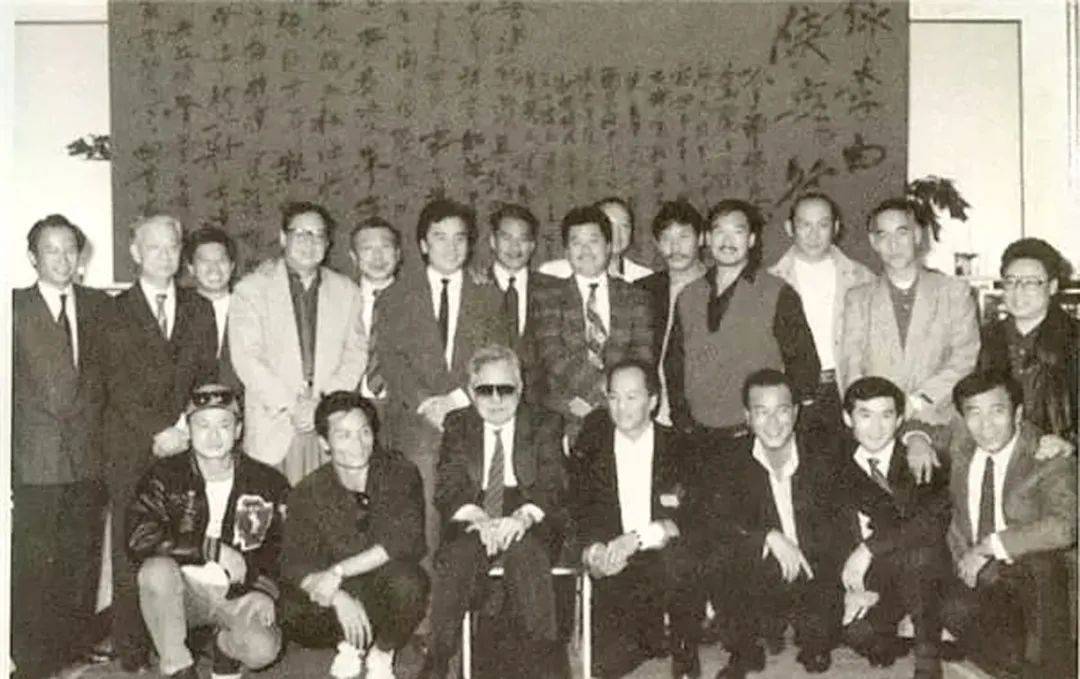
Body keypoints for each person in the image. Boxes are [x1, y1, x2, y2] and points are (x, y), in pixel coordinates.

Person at [104, 213, 219, 669]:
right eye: (154, 247)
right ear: (135, 252)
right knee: (130, 546)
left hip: (185, 442)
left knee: (185, 537)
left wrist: (186, 428)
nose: (165, 255)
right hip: (133, 445)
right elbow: (114, 383)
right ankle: (131, 648)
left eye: (172, 246)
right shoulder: (113, 311)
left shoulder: (199, 308)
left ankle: (182, 641)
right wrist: (158, 431)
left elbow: (206, 375)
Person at [373, 198, 508, 561]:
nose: (451, 247)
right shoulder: (395, 297)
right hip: (416, 418)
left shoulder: (489, 296)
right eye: (440, 237)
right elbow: (390, 361)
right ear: (422, 244)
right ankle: (427, 588)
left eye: (459, 238)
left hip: (473, 412)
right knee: (423, 504)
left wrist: (457, 400)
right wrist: (426, 404)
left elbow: (496, 355)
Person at [126, 384, 289, 679]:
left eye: (224, 425)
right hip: (182, 591)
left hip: (237, 591)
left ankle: (223, 648)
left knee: (262, 648)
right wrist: (209, 549)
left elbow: (285, 546)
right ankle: (178, 666)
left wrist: (266, 590)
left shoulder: (268, 481)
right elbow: (140, 537)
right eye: (203, 425)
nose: (213, 436)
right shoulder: (163, 476)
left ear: (238, 430)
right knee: (155, 571)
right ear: (188, 429)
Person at [12, 215, 113, 678]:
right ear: (32, 257)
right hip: (34, 460)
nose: (62, 258)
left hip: (88, 457)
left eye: (70, 249)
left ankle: (74, 649)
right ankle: (31, 661)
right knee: (34, 564)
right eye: (51, 250)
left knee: (81, 560)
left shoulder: (99, 306)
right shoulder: (14, 307)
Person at [427, 345, 566, 679]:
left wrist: (523, 517)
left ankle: (545, 664)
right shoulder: (458, 423)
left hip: (528, 507)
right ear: (471, 391)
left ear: (520, 388)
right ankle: (438, 659)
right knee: (459, 555)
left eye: (505, 389)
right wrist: (478, 518)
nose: (495, 399)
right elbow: (447, 487)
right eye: (484, 390)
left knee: (527, 553)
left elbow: (553, 484)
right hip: (475, 508)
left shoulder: (546, 422)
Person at [701, 370, 841, 678]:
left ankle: (807, 633)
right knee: (720, 555)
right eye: (762, 413)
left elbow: (846, 524)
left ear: (796, 412)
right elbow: (714, 519)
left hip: (813, 568)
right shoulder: (729, 459)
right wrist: (768, 535)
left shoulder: (823, 455)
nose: (774, 423)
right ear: (747, 417)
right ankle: (744, 649)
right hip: (763, 567)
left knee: (819, 643)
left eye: (782, 411)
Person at [281, 391, 429, 679]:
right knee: (289, 609)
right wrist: (338, 597)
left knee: (410, 583)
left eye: (364, 432)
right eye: (344, 435)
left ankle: (382, 652)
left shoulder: (399, 472)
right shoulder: (308, 491)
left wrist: (337, 572)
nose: (358, 444)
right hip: (339, 595)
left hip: (383, 586)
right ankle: (348, 643)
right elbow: (293, 562)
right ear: (324, 443)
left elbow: (402, 540)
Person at [941, 370, 1077, 678]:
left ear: (1017, 413)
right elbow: (906, 428)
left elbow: (1064, 527)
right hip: (975, 577)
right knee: (952, 611)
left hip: (1030, 577)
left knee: (1043, 566)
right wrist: (917, 441)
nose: (986, 425)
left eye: (997, 411)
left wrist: (989, 547)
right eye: (974, 414)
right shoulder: (960, 445)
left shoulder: (1048, 456)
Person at [571, 360, 701, 679]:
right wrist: (593, 552)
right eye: (613, 397)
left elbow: (689, 517)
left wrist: (638, 538)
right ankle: (648, 636)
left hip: (661, 555)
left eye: (632, 397)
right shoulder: (591, 446)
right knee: (605, 666)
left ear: (653, 401)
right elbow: (576, 510)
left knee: (681, 556)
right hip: (614, 562)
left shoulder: (680, 446)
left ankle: (684, 650)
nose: (621, 407)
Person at [665, 199, 819, 459]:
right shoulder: (689, 295)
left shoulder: (777, 292)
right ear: (707, 238)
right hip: (697, 436)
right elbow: (674, 364)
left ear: (751, 239)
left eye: (737, 231)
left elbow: (804, 367)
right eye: (719, 231)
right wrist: (682, 420)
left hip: (755, 435)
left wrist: (777, 425)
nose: (727, 241)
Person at [229, 201, 368, 484]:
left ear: (328, 243)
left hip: (328, 425)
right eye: (301, 233)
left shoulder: (347, 291)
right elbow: (247, 358)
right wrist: (294, 406)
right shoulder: (251, 289)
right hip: (274, 423)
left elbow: (355, 354)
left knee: (326, 508)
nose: (309, 242)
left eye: (318, 235)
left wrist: (322, 405)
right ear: (283, 238)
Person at [841, 198, 980, 480]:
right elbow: (852, 365)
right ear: (873, 242)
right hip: (879, 430)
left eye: (902, 232)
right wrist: (871, 415)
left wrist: (915, 403)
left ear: (917, 235)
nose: (893, 244)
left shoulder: (954, 292)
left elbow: (964, 359)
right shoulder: (858, 299)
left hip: (941, 422)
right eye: (883, 235)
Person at [834, 377, 951, 679]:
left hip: (921, 568)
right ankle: (908, 631)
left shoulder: (923, 459)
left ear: (900, 420)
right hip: (873, 577)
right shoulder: (835, 466)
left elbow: (930, 524)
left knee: (919, 555)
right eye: (865, 415)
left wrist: (867, 549)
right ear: (847, 418)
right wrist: (849, 590)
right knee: (861, 636)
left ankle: (927, 658)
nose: (876, 428)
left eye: (886, 415)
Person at [533, 204, 653, 442]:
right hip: (564, 414)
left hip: (622, 416)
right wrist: (594, 397)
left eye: (593, 241)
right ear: (566, 251)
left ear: (608, 246)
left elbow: (642, 356)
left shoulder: (635, 297)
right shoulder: (548, 297)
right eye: (576, 242)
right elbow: (552, 355)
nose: (585, 250)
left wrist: (605, 402)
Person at [768, 193, 875, 451]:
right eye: (805, 225)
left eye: (823, 225)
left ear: (836, 227)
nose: (814, 234)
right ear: (789, 227)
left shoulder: (862, 277)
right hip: (793, 392)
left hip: (848, 388)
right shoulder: (771, 281)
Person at [978, 237, 1077, 442]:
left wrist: (1070, 444)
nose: (1018, 291)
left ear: (1052, 286)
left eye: (1031, 282)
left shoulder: (1074, 338)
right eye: (1010, 281)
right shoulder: (985, 339)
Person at [636, 200, 708, 427]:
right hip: (648, 415)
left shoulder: (719, 289)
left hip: (700, 417)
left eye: (684, 237)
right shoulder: (642, 290)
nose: (675, 247)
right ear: (657, 244)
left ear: (701, 239)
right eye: (666, 238)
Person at [486, 203, 559, 406]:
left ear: (533, 245)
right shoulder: (473, 285)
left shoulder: (553, 289)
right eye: (506, 238)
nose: (514, 247)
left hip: (542, 405)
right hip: (489, 401)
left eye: (523, 239)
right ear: (492, 241)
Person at [348, 217, 402, 404]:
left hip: (403, 407)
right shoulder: (340, 299)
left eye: (385, 247)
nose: (378, 257)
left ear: (398, 254)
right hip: (352, 405)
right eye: (367, 249)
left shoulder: (418, 300)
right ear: (354, 257)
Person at [538, 196, 653, 283]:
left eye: (624, 226)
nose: (616, 233)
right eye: (609, 224)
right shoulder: (553, 272)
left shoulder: (644, 277)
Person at [185, 226, 242, 394]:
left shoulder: (249, 308)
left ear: (232, 266)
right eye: (205, 261)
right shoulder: (179, 311)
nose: (214, 269)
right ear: (191, 268)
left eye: (221, 261)